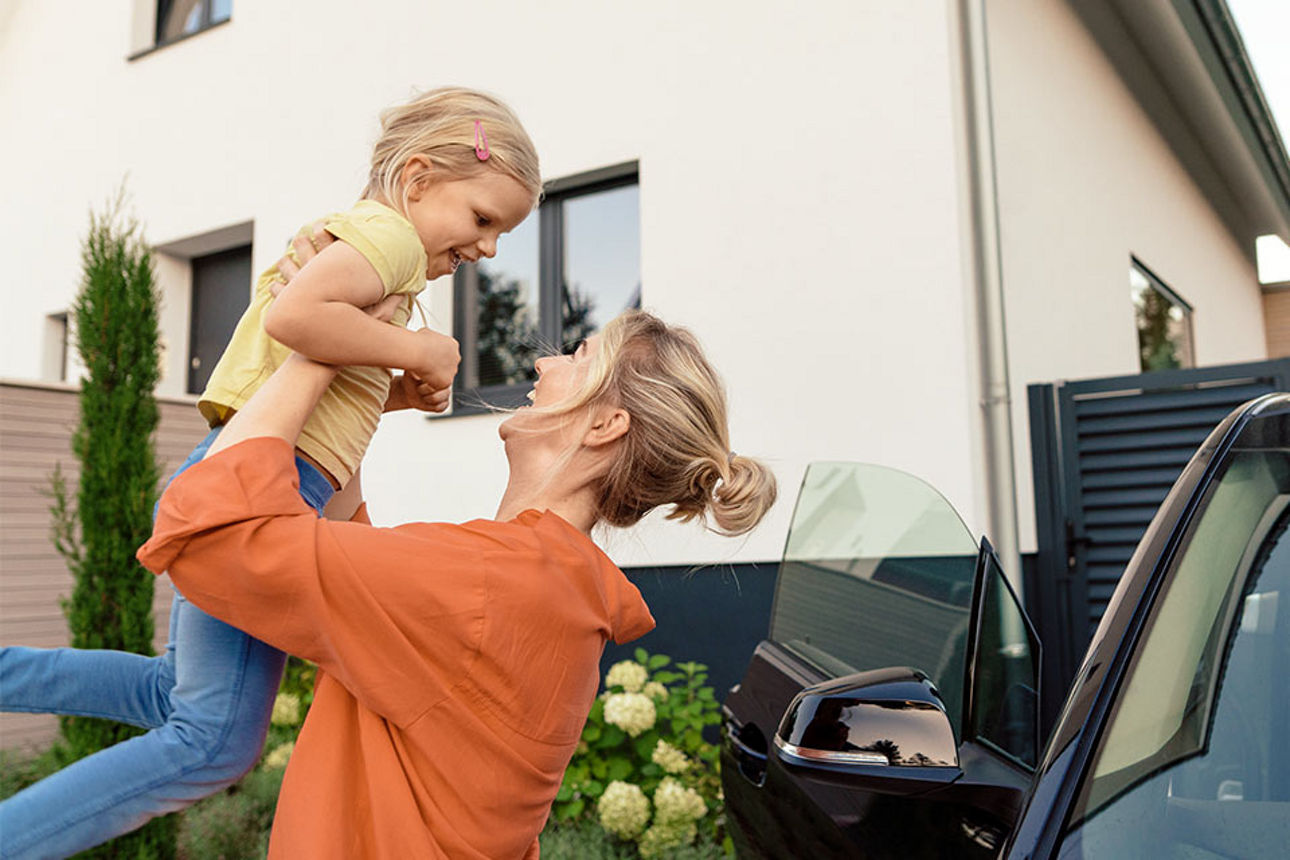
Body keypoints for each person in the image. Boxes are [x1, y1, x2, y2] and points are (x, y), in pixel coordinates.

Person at [0, 86, 540, 859]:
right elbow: (296, 321)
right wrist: (420, 350)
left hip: (255, 475)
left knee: (174, 694)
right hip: (263, 489)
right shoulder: (387, 237)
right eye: (483, 219)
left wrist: (392, 392)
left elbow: (305, 375)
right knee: (213, 742)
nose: (487, 248)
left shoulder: (368, 254)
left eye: (502, 233)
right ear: (418, 178)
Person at [133, 306, 778, 858]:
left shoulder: (493, 580)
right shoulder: (552, 588)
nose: (543, 364)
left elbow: (206, 535)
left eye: (577, 358)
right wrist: (358, 384)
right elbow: (351, 563)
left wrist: (316, 350)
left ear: (604, 424)